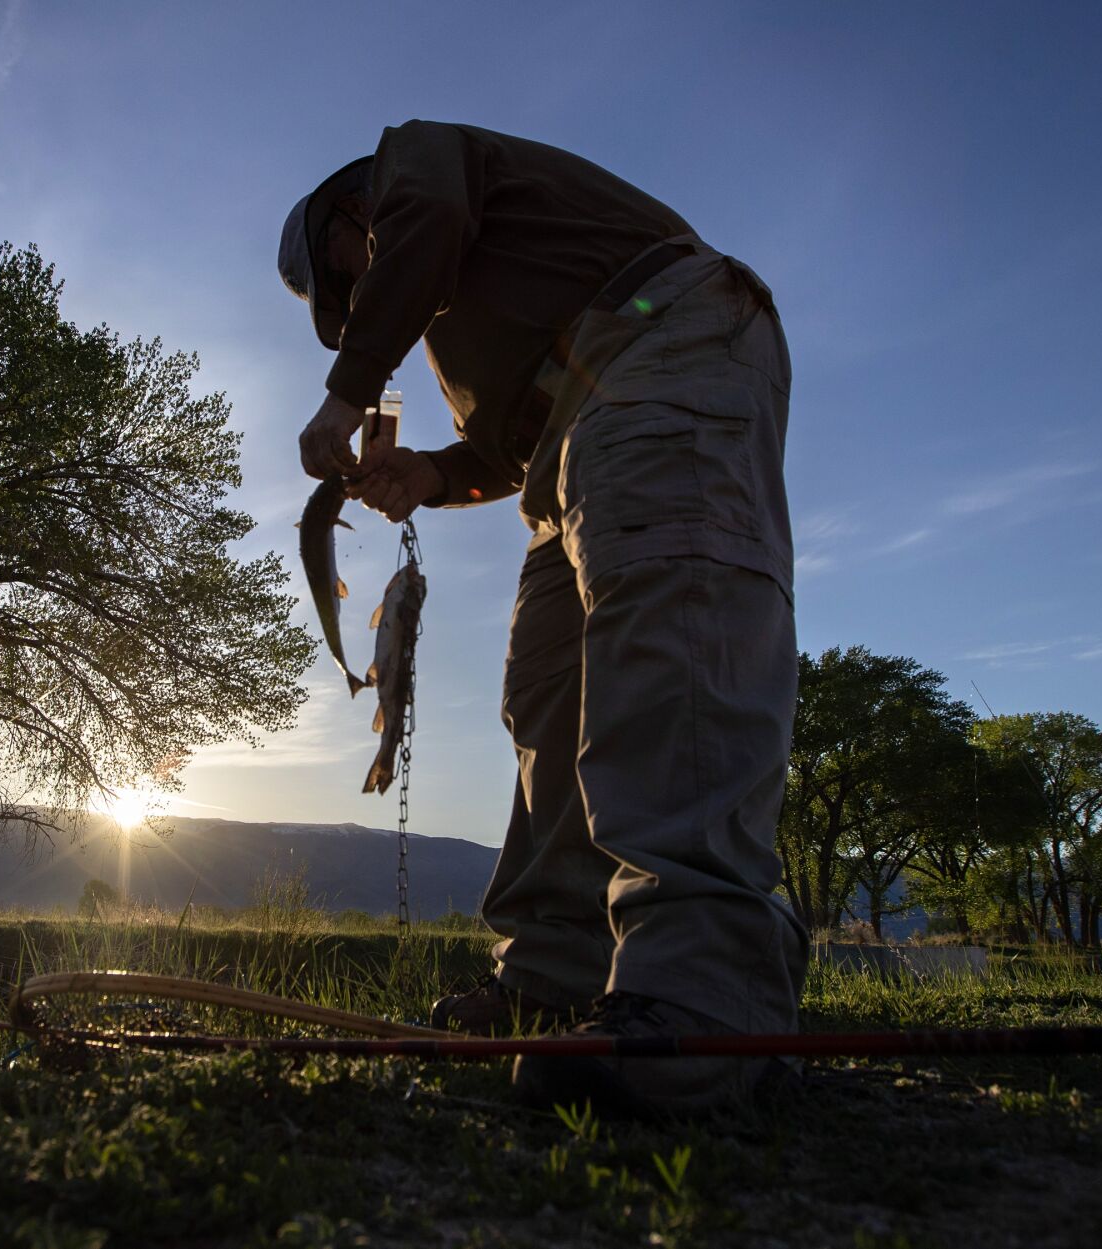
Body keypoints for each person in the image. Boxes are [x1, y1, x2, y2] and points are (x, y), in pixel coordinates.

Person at [277, 122, 806, 1119]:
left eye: (348, 284)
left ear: (357, 212)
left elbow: (424, 220)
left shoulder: (416, 164)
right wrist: (431, 473)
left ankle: (702, 998)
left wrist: (346, 394)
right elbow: (510, 453)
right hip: (569, 439)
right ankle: (555, 980)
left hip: (661, 337)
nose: (357, 314)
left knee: (664, 623)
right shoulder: (465, 324)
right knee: (546, 693)